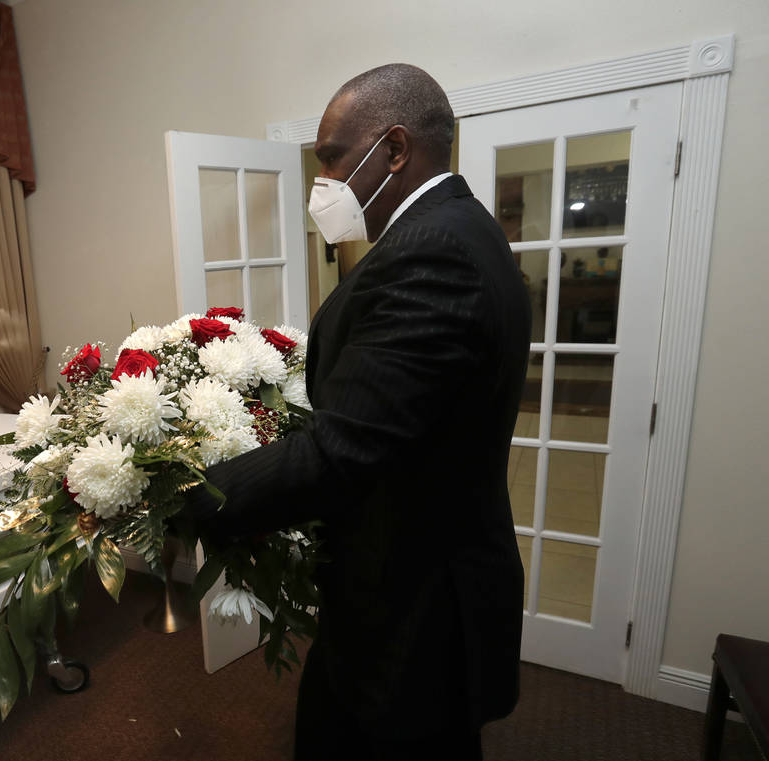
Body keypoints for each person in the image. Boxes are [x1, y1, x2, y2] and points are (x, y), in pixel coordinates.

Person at [185, 64, 531, 760]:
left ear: (395, 149)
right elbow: (388, 412)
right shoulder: (461, 228)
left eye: (331, 158)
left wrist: (193, 496)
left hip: (418, 603)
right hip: (414, 572)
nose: (323, 182)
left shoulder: (434, 252)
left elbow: (342, 453)